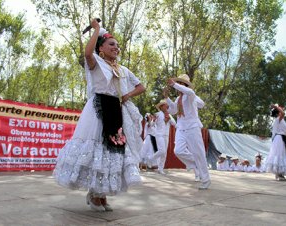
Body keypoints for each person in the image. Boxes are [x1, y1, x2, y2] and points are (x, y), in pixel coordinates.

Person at [53, 19, 146, 212]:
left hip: (115, 109)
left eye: (118, 46)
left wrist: (127, 96)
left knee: (110, 151)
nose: (116, 48)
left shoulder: (122, 69)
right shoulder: (96, 63)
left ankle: (99, 194)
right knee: (97, 149)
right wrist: (96, 29)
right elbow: (87, 52)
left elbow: (141, 86)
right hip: (98, 109)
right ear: (101, 47)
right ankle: (95, 195)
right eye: (112, 44)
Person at [165, 74, 211, 190]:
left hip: (192, 127)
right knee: (178, 150)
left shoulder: (190, 95)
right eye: (178, 83)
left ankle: (205, 179)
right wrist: (167, 98)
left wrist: (174, 84)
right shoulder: (178, 98)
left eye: (181, 83)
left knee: (199, 152)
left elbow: (192, 94)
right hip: (181, 127)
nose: (178, 86)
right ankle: (195, 163)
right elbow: (174, 110)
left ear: (184, 85)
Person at [264, 104, 286, 181]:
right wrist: (276, 107)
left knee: (281, 154)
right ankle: (279, 174)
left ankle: (279, 174)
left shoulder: (280, 120)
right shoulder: (279, 118)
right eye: (280, 110)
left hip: (280, 139)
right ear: (278, 112)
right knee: (280, 155)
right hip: (279, 139)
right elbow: (283, 113)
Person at [149, 99, 176, 174]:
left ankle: (160, 169)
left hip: (166, 135)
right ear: (161, 107)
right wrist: (153, 120)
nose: (166, 106)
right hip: (159, 134)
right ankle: (150, 159)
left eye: (167, 105)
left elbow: (174, 123)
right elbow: (151, 125)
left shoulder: (169, 114)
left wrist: (169, 118)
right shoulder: (157, 114)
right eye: (165, 105)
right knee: (162, 151)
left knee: (164, 153)